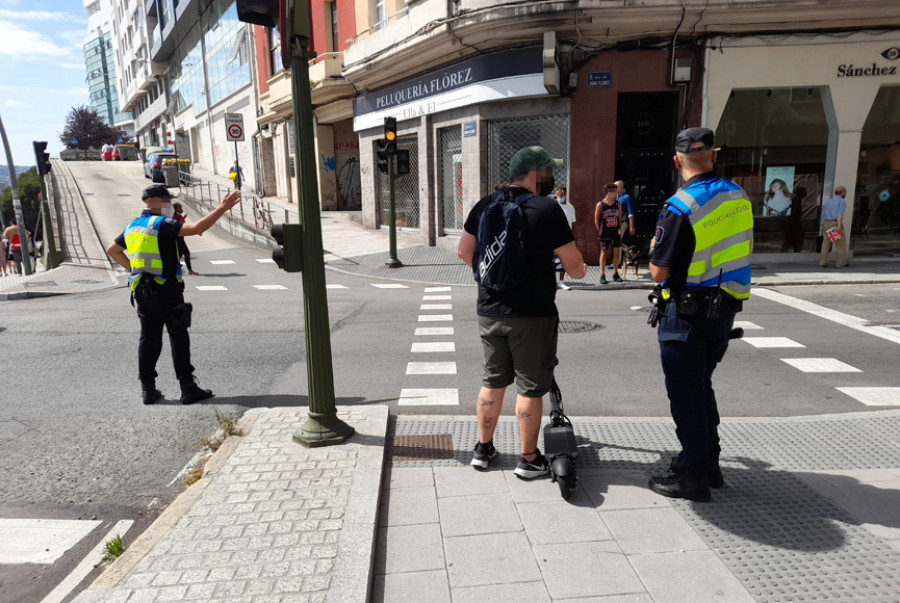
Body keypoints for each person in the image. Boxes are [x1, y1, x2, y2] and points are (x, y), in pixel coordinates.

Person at [457, 145, 587, 479]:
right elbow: (575, 270)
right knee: (530, 388)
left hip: (489, 309)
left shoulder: (485, 204)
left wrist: (493, 278)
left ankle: (483, 450)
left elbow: (463, 251)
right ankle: (527, 459)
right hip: (531, 314)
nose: (549, 179)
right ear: (534, 174)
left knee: (492, 382)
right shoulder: (547, 209)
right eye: (546, 172)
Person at [647, 127, 753, 502]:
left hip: (686, 315)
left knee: (686, 395)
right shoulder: (739, 197)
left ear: (677, 162)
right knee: (702, 387)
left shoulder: (681, 206)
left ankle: (693, 475)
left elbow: (658, 271)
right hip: (723, 314)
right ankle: (710, 464)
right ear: (714, 155)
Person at [106, 184, 241, 405]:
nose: (168, 204)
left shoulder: (132, 226)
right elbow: (197, 228)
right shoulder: (162, 224)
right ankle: (187, 388)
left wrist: (134, 269)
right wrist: (222, 208)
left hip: (142, 290)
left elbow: (113, 250)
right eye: (164, 200)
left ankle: (148, 390)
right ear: (150, 201)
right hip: (166, 289)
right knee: (178, 337)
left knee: (149, 339)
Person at [594, 182, 623, 284]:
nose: (616, 193)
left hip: (615, 231)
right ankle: (602, 275)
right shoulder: (600, 205)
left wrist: (619, 229)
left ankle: (615, 273)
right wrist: (600, 230)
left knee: (616, 253)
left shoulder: (618, 204)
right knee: (604, 253)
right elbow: (596, 219)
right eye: (614, 191)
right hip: (605, 232)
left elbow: (619, 218)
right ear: (608, 192)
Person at [819, 185, 849, 268]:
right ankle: (840, 263)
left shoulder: (828, 202)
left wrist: (822, 225)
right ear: (842, 192)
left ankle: (822, 262)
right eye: (845, 192)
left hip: (826, 223)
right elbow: (840, 215)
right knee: (840, 244)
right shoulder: (841, 202)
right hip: (834, 224)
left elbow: (823, 215)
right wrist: (839, 226)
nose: (845, 193)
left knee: (825, 243)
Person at [554, 187, 576, 290]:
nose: (560, 197)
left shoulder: (570, 207)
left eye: (562, 195)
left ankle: (561, 282)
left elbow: (571, 224)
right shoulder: (553, 206)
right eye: (559, 195)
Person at [172, 202, 199, 275]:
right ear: (175, 209)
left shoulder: (179, 216)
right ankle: (190, 270)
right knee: (186, 253)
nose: (181, 209)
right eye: (179, 208)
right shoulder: (173, 217)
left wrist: (182, 219)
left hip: (181, 237)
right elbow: (176, 226)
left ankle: (174, 266)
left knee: (179, 254)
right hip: (178, 238)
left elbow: (183, 224)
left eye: (181, 207)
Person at [782, 186, 806, 252]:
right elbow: (794, 214)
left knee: (790, 241)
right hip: (793, 224)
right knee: (792, 241)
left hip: (792, 224)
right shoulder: (795, 201)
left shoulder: (795, 200)